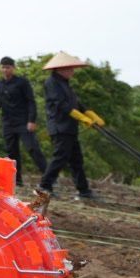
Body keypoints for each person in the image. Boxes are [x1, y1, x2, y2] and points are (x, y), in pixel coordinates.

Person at [38, 52, 96, 200]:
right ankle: (44, 186)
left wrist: (88, 113)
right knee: (60, 157)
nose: (72, 71)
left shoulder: (65, 83)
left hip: (70, 127)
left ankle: (83, 190)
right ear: (61, 69)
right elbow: (61, 104)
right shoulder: (51, 83)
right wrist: (80, 117)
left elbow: (75, 103)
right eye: (70, 68)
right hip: (59, 126)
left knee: (76, 159)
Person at [0, 57, 46, 178]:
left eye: (8, 67)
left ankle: (48, 177)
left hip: (23, 121)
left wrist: (31, 120)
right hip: (8, 122)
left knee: (32, 148)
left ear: (13, 68)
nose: (5, 70)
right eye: (3, 67)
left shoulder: (22, 82)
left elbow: (31, 101)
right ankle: (16, 179)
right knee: (11, 151)